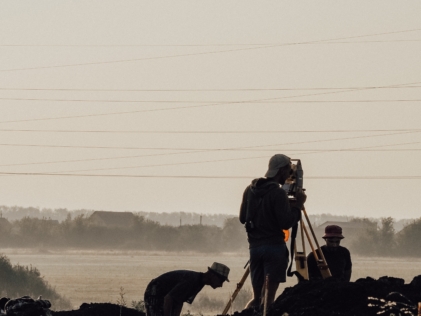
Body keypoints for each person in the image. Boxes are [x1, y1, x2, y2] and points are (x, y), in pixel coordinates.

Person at [239, 154, 306, 309]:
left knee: (257, 299)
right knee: (268, 301)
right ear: (281, 170)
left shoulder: (250, 189)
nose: (289, 174)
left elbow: (243, 218)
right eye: (288, 170)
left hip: (254, 248)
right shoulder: (278, 193)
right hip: (274, 249)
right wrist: (298, 206)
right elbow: (286, 222)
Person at [144, 262, 230, 316]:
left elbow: (178, 301)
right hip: (155, 292)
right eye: (221, 280)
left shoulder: (199, 282)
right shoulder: (192, 280)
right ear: (212, 275)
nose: (221, 285)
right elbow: (169, 298)